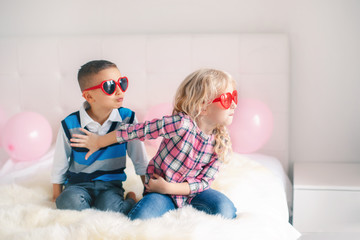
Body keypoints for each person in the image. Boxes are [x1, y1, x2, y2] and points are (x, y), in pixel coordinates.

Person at [70, 68, 237, 220]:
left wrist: (169, 188)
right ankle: (132, 199)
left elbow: (204, 182)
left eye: (234, 97)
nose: (235, 104)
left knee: (226, 211)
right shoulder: (181, 124)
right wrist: (99, 141)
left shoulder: (221, 141)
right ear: (203, 106)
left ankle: (185, 206)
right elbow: (136, 131)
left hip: (192, 192)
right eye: (227, 99)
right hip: (159, 190)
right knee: (141, 217)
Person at [51, 60, 148, 215]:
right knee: (68, 203)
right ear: (89, 96)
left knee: (112, 210)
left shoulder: (127, 119)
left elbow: (139, 158)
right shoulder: (70, 124)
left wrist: (147, 189)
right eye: (109, 86)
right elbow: (60, 162)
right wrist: (56, 195)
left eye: (121, 83)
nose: (119, 91)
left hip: (111, 185)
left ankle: (130, 198)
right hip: (78, 185)